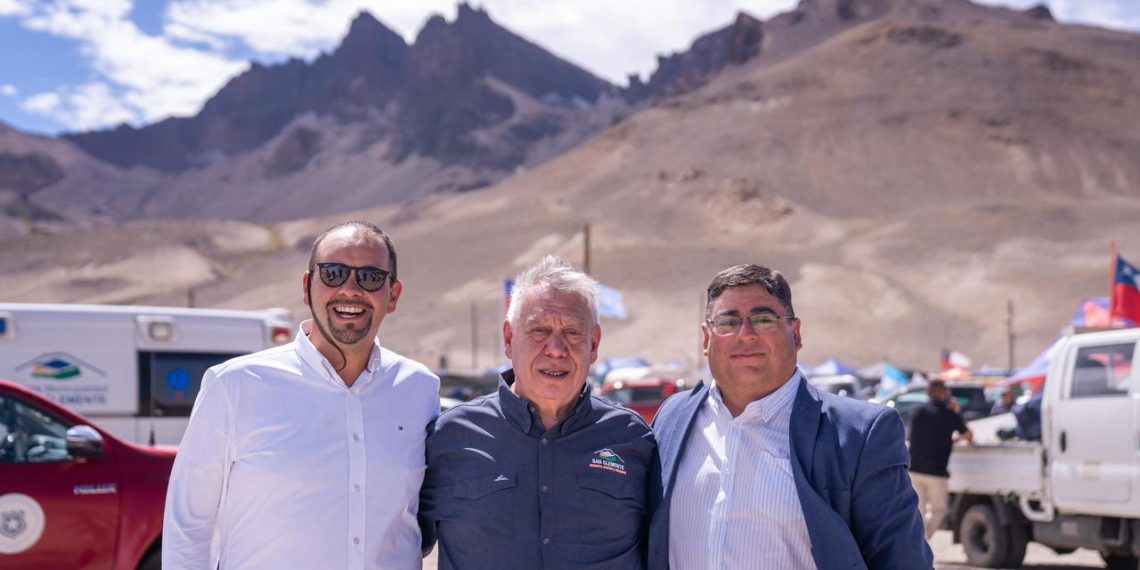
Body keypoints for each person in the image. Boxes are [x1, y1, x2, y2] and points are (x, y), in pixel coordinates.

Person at [163, 221, 440, 570]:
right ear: (308, 287)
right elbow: (189, 527)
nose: (350, 290)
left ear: (393, 295)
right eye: (334, 273)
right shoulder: (233, 386)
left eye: (370, 277)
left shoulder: (419, 390)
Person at [650, 264, 932, 569]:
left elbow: (902, 559)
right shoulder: (673, 418)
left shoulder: (858, 435)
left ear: (795, 334)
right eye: (728, 321)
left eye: (764, 319)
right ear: (706, 339)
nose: (745, 334)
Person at [419, 255, 656, 570]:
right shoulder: (449, 437)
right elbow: (394, 544)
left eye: (572, 332)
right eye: (539, 330)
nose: (556, 349)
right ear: (508, 338)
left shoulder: (633, 438)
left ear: (594, 343)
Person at [909, 380, 973, 540]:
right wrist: (956, 415)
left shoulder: (917, 412)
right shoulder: (949, 414)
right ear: (944, 393)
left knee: (918, 511)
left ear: (928, 393)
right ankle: (922, 541)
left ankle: (917, 542)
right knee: (939, 510)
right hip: (936, 471)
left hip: (914, 468)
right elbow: (968, 435)